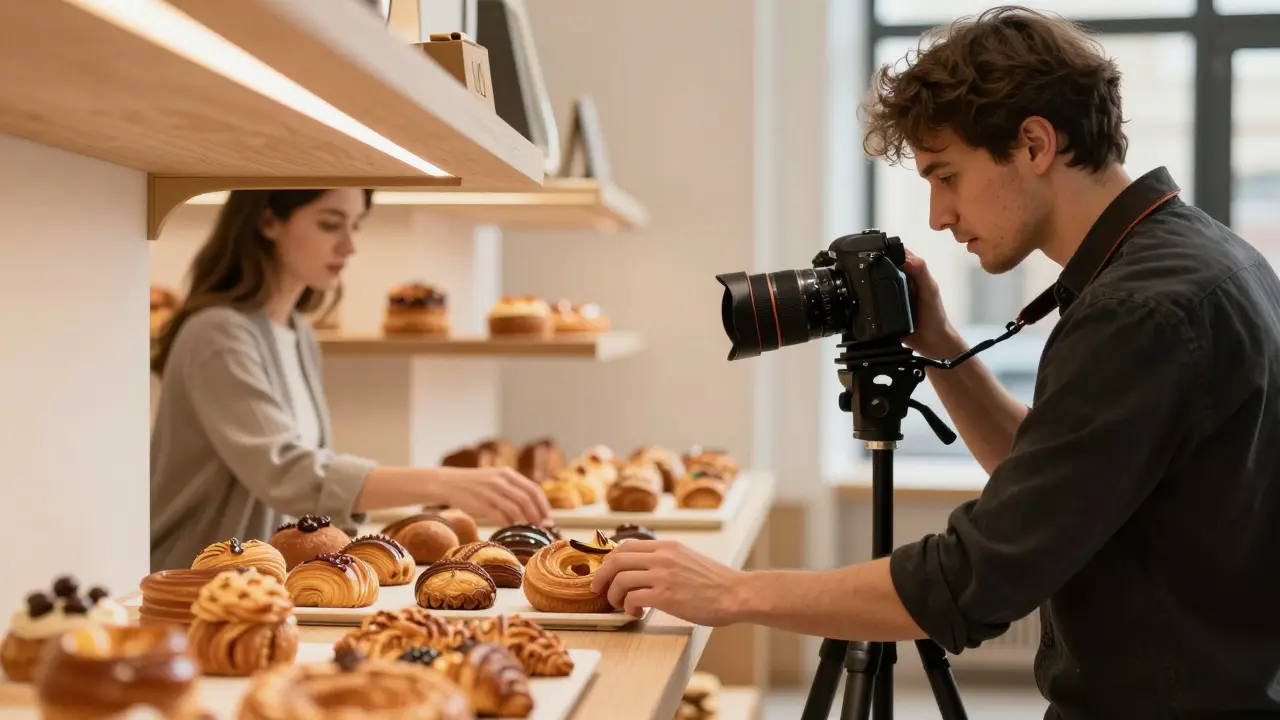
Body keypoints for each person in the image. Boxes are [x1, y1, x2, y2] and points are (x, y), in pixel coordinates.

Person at [594, 7, 1280, 717]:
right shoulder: (1206, 261)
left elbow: (974, 576)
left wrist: (731, 593)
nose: (936, 215)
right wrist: (944, 346)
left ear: (1035, 143)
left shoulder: (1139, 313)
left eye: (945, 176)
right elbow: (1061, 479)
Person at [150, 189, 550, 572]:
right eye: (330, 224)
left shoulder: (298, 333)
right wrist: (441, 482)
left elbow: (305, 492)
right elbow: (288, 473)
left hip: (262, 588)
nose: (349, 245)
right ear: (268, 221)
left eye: (355, 225)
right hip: (192, 590)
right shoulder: (216, 334)